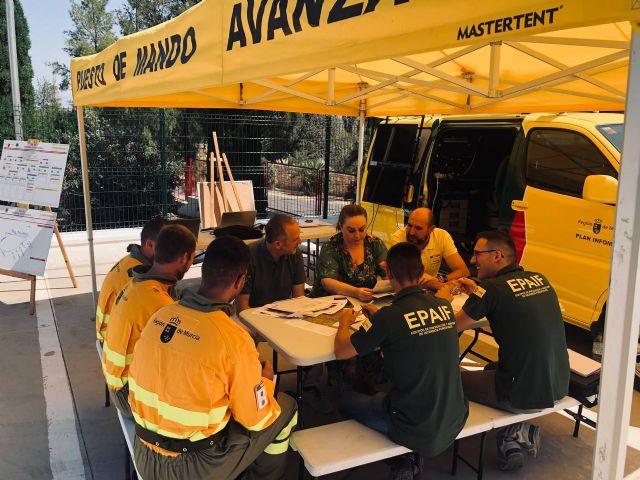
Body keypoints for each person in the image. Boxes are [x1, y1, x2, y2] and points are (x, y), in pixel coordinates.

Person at [128, 236, 298, 480]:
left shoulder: (159, 316)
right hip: (193, 467)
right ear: (240, 281)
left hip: (144, 453)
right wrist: (265, 384)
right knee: (285, 407)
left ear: (203, 272)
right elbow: (256, 419)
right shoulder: (233, 338)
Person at [334, 242, 468, 480]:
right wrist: (380, 322)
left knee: (345, 400)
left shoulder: (389, 317)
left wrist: (345, 321)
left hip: (412, 425)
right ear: (422, 271)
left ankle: (402, 457)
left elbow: (342, 351)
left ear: (388, 274)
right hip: (455, 415)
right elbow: (409, 325)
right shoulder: (444, 307)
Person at [449, 230, 569, 471]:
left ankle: (519, 431)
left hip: (523, 392)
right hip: (558, 381)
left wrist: (440, 298)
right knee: (492, 369)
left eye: (477, 254)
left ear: (497, 256)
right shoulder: (539, 278)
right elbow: (510, 301)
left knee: (455, 381)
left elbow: (450, 327)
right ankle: (510, 441)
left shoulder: (492, 289)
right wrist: (477, 291)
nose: (472, 261)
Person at [101, 224, 196, 417]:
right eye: (192, 260)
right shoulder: (158, 304)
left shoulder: (137, 282)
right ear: (185, 258)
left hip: (118, 380)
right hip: (128, 394)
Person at [95, 217, 166, 342]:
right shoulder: (137, 276)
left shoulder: (130, 261)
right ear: (150, 244)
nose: (171, 252)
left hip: (109, 334)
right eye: (167, 246)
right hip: (115, 343)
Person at [311, 204, 387, 301]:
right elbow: (327, 282)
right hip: (327, 302)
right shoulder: (331, 247)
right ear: (341, 227)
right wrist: (356, 292)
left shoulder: (375, 244)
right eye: (351, 231)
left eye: (361, 229)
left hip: (361, 302)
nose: (357, 235)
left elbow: (387, 274)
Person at [235, 214, 305, 313]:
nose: (300, 242)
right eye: (295, 239)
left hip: (284, 314)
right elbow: (242, 309)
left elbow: (299, 299)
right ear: (277, 244)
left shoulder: (294, 253)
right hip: (253, 316)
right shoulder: (248, 256)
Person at [389, 207, 469, 291]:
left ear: (431, 229)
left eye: (418, 228)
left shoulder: (442, 236)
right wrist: (441, 286)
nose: (411, 232)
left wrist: (441, 279)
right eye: (409, 225)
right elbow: (410, 277)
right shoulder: (397, 239)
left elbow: (463, 271)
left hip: (433, 288)